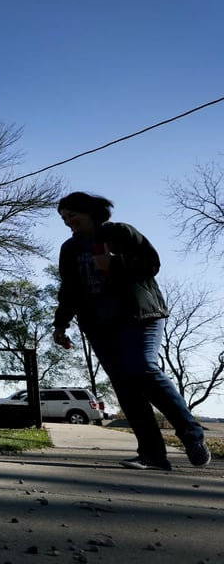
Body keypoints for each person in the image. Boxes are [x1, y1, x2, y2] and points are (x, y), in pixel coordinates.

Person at [52, 192, 210, 471]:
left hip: (139, 317)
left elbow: (151, 264)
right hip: (100, 325)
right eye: (63, 218)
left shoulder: (120, 232)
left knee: (142, 368)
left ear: (90, 212)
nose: (68, 222)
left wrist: (115, 264)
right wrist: (60, 324)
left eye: (72, 215)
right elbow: (70, 290)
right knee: (125, 387)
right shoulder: (70, 249)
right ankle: (152, 455)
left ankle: (192, 436)